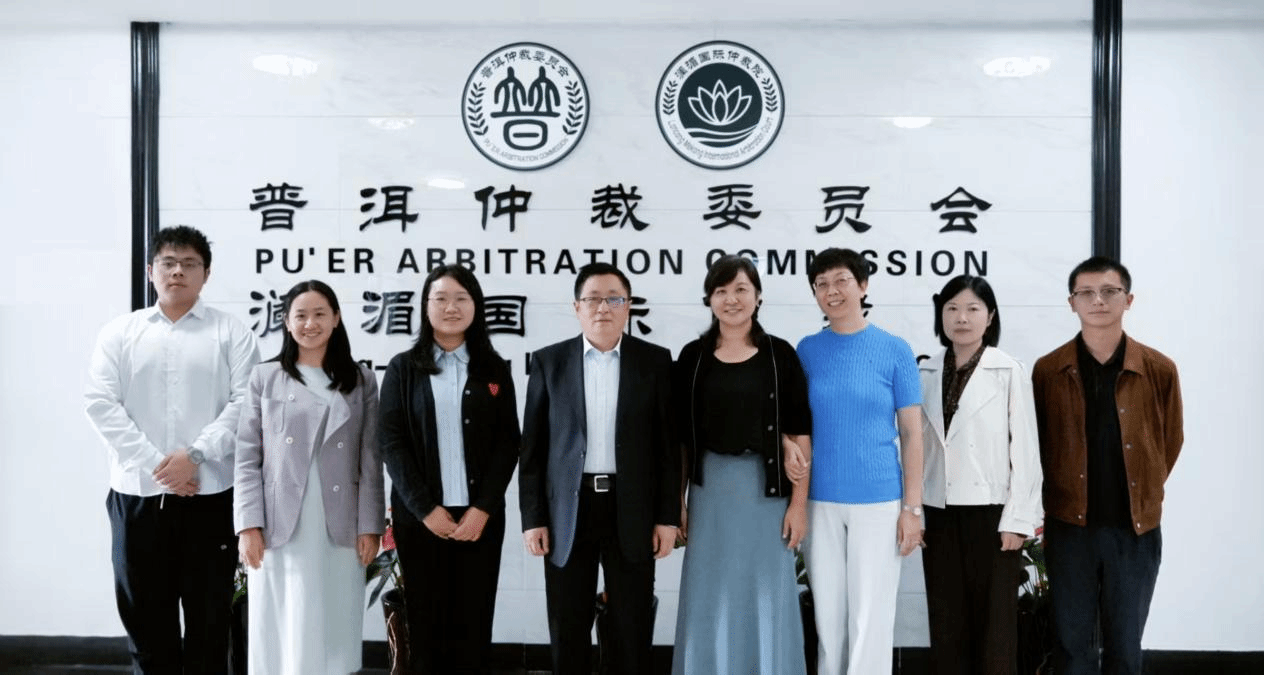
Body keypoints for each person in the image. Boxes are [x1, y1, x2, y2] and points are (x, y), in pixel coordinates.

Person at [85, 225, 260, 673]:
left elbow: (246, 404)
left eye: (189, 263)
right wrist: (159, 466)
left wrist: (195, 456)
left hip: (211, 497)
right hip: (138, 497)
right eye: (168, 263)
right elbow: (101, 404)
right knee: (145, 621)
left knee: (210, 621)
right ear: (151, 271)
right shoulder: (119, 333)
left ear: (206, 274)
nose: (178, 271)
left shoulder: (231, 333)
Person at [518, 262, 679, 675]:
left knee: (632, 626)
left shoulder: (655, 362)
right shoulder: (550, 362)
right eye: (592, 299)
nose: (603, 308)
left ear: (628, 306)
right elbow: (532, 449)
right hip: (568, 512)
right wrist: (533, 519)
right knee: (568, 627)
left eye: (614, 299)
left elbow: (668, 448)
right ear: (577, 307)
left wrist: (667, 518)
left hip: (632, 508)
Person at [1032, 257, 1183, 675]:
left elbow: (1170, 440)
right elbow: (1037, 443)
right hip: (1069, 527)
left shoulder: (1158, 369)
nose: (1097, 301)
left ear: (1128, 299)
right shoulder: (1049, 370)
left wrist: (1143, 489)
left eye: (1109, 291)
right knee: (1071, 646)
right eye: (1086, 293)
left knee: (1125, 645)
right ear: (1072, 302)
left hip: (1134, 530)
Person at [234, 280, 384, 675]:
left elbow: (371, 459)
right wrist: (248, 525)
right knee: (282, 623)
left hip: (339, 521)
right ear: (285, 321)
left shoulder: (361, 380)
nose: (310, 323)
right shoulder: (265, 377)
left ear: (336, 318)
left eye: (320, 314)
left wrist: (370, 526)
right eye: (300, 315)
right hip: (280, 521)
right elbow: (247, 456)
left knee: (333, 622)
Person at [670, 255, 811, 674]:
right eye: (721, 291)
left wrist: (798, 505)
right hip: (709, 492)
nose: (731, 299)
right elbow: (681, 439)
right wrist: (678, 502)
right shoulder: (693, 357)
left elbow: (800, 433)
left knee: (767, 591)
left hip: (765, 493)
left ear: (758, 296)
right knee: (709, 591)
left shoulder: (779, 355)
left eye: (741, 289)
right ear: (709, 299)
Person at [379, 265, 521, 675]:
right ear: (425, 307)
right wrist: (425, 509)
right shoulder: (404, 368)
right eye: (440, 298)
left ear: (476, 306)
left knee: (474, 626)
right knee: (427, 628)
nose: (451, 307)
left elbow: (508, 443)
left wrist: (483, 508)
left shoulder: (494, 369)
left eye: (461, 298)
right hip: (422, 520)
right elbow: (392, 442)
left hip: (480, 521)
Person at [791, 246, 924, 675]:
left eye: (841, 281)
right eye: (821, 284)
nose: (832, 291)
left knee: (871, 618)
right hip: (820, 500)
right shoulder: (807, 350)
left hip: (879, 501)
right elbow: (796, 426)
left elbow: (912, 435)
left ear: (863, 286)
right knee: (828, 618)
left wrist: (912, 509)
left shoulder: (894, 350)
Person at [918, 274, 1042, 674]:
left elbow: (1025, 451)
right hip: (938, 511)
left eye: (973, 309)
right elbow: (916, 446)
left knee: (995, 627)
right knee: (946, 622)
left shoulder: (1008, 370)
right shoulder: (925, 370)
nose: (961, 318)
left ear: (990, 317)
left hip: (992, 514)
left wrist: (1018, 520)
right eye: (952, 308)